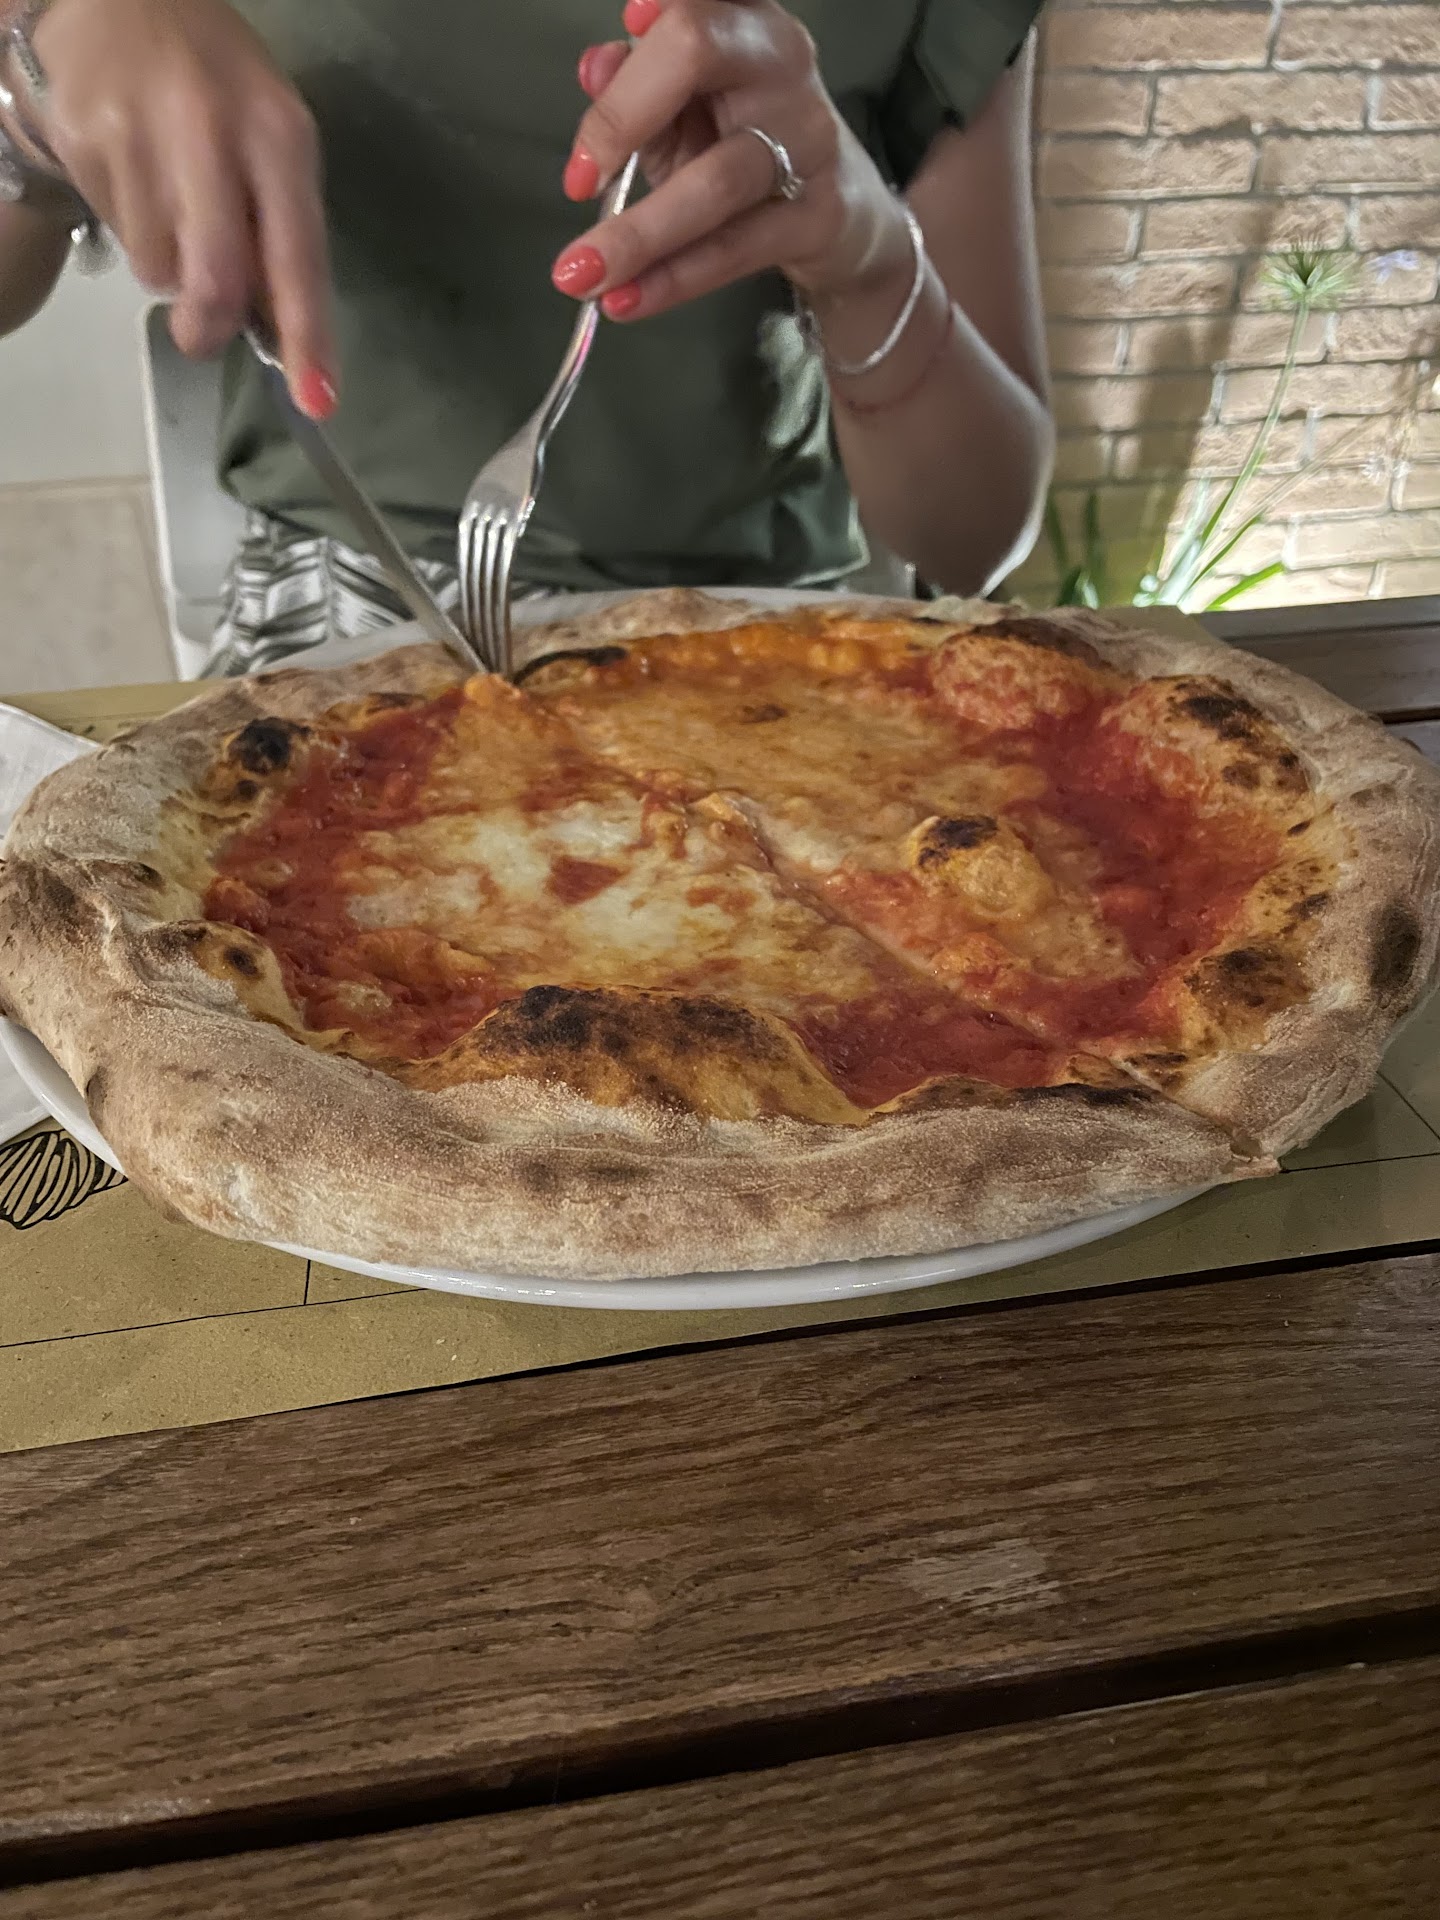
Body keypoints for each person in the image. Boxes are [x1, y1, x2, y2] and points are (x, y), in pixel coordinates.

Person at [0, 0, 1053, 667]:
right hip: (339, 635)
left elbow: (975, 539)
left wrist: (870, 259)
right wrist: (32, 57)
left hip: (777, 648)